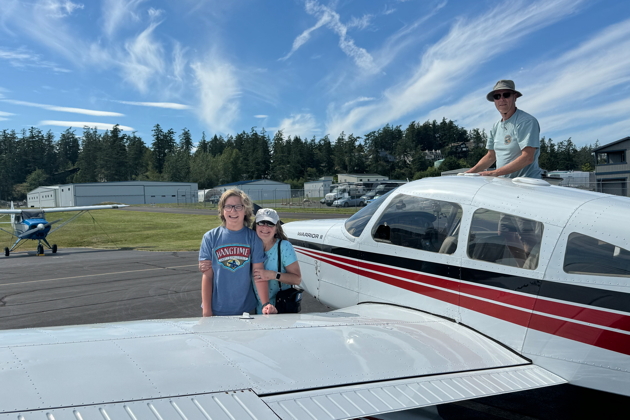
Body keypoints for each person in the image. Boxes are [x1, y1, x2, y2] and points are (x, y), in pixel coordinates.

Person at [199, 189, 277, 316]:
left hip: (246, 309)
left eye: (238, 206)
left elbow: (258, 274)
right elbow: (207, 276)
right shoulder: (210, 237)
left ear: (245, 210)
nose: (233, 211)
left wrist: (265, 304)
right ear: (222, 210)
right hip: (216, 309)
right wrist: (207, 310)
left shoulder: (253, 238)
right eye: (228, 206)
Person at [467, 80, 542, 179]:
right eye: (497, 96)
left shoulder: (526, 121)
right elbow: (491, 156)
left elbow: (528, 157)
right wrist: (468, 173)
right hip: (505, 185)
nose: (501, 99)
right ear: (494, 101)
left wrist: (494, 173)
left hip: (526, 184)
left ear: (515, 97)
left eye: (506, 95)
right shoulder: (496, 127)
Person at [252, 208, 302, 313]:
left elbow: (297, 279)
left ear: (276, 228)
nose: (265, 227)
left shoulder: (284, 247)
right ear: (255, 225)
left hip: (279, 310)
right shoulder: (249, 246)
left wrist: (274, 275)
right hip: (253, 309)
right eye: (261, 222)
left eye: (270, 224)